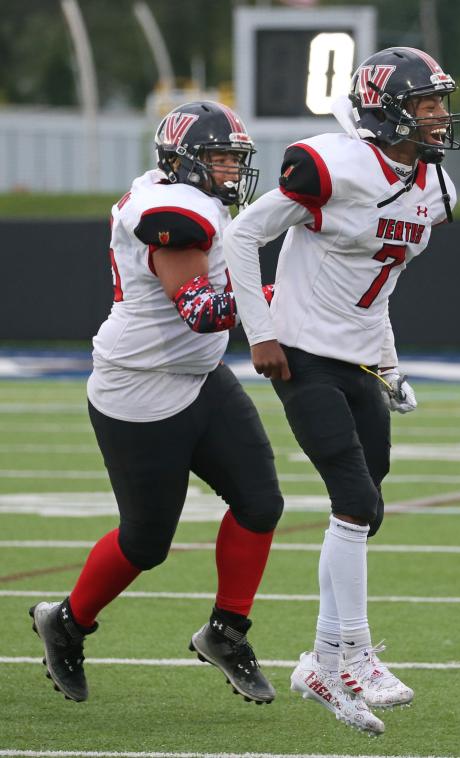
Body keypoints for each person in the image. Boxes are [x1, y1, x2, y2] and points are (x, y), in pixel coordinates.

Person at [222, 46, 460, 735]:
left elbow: (378, 289)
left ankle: (320, 662)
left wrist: (390, 366)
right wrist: (260, 331)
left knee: (365, 509)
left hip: (358, 358)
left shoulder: (435, 190)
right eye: (427, 105)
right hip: (300, 351)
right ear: (388, 112)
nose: (440, 118)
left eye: (442, 104)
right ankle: (353, 654)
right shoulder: (334, 164)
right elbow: (244, 236)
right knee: (354, 499)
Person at [29, 101, 284, 706]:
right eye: (219, 159)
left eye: (235, 160)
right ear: (182, 161)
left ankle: (227, 631)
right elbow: (203, 312)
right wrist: (287, 291)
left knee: (260, 501)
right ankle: (65, 621)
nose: (230, 171)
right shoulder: (170, 214)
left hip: (199, 377)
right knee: (146, 544)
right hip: (139, 389)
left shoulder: (185, 197)